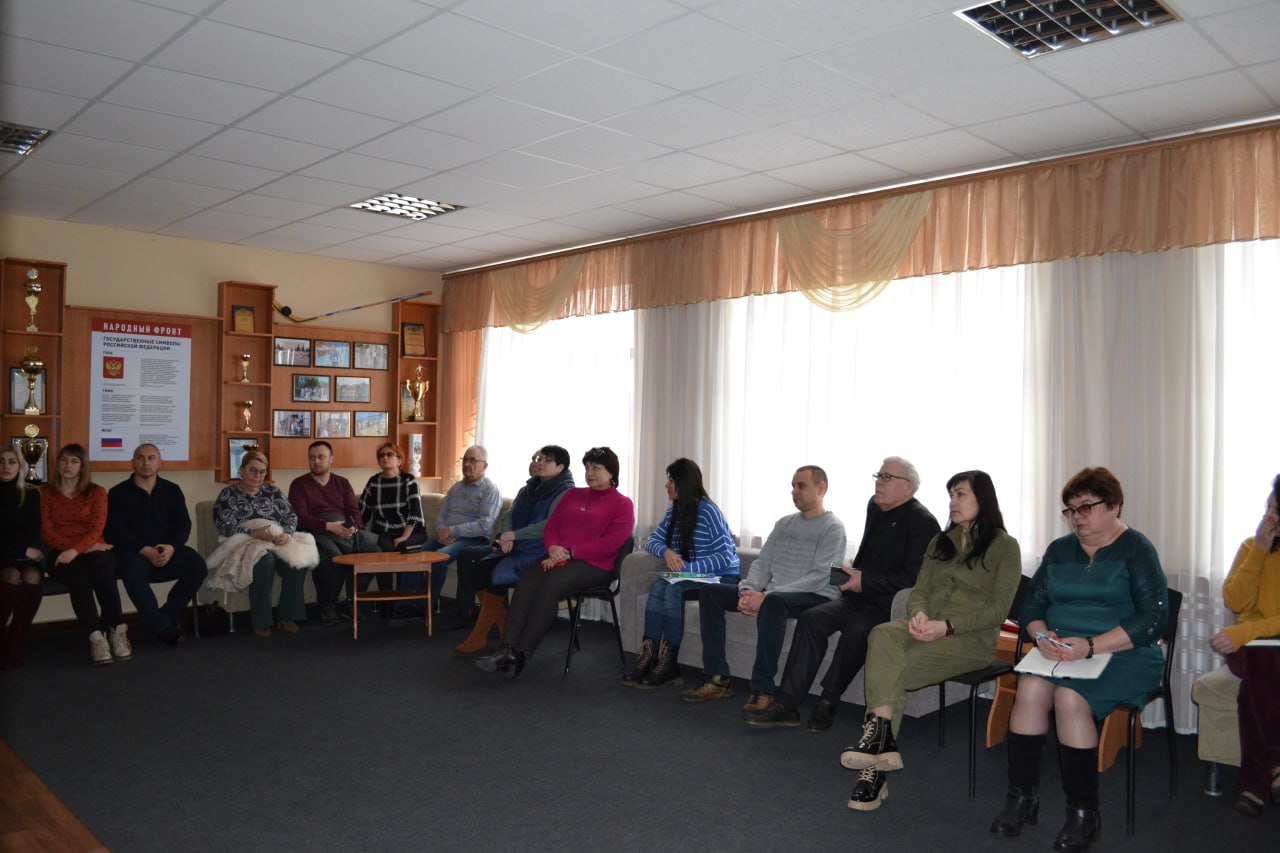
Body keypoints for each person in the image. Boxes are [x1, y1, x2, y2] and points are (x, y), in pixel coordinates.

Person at [989, 467, 1168, 853]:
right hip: (1062, 652)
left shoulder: (1137, 549)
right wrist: (1039, 634)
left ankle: (1084, 813)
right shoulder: (1059, 550)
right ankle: (1023, 798)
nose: (1076, 517)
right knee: (1031, 688)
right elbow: (1032, 603)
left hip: (1124, 653)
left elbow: (1152, 621)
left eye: (1086, 507)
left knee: (1070, 699)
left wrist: (1091, 645)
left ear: (1115, 506)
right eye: (1070, 509)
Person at [837, 470, 1022, 811]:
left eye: (961, 494)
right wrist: (920, 614)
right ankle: (880, 745)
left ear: (983, 499)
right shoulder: (941, 542)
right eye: (950, 494)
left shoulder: (1005, 547)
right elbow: (918, 590)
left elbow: (998, 610)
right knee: (881, 633)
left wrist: (946, 627)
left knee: (890, 671)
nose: (952, 502)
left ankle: (873, 774)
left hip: (969, 640)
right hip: (922, 627)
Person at [741, 456, 938, 730]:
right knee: (812, 619)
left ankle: (828, 701)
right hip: (855, 596)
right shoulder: (875, 506)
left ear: (910, 487)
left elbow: (914, 578)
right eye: (878, 476)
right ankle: (787, 704)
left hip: (886, 604)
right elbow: (871, 554)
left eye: (887, 478)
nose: (879, 482)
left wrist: (866, 581)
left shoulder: (923, 522)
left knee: (858, 629)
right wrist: (851, 575)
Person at [681, 465, 846, 712]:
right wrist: (746, 590)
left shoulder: (833, 527)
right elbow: (763, 562)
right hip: (775, 593)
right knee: (711, 592)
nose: (794, 491)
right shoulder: (783, 524)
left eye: (801, 485)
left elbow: (820, 576)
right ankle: (717, 678)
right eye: (792, 485)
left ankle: (762, 689)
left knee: (774, 602)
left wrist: (766, 596)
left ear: (821, 488)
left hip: (815, 595)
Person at [476, 446, 634, 678]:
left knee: (550, 585)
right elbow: (552, 527)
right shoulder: (573, 494)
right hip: (557, 556)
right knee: (527, 580)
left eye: (596, 468)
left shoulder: (622, 504)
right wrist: (552, 548)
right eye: (588, 468)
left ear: (611, 473)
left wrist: (570, 553)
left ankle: (521, 652)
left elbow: (610, 543)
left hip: (595, 565)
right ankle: (506, 648)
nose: (590, 473)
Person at [624, 458, 740, 689]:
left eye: (671, 480)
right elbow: (651, 541)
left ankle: (669, 663)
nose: (666, 485)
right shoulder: (674, 511)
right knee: (658, 586)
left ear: (684, 483)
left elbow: (725, 556)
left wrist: (688, 570)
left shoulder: (708, 511)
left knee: (674, 586)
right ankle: (648, 655)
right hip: (691, 577)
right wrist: (667, 552)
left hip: (721, 577)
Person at [453, 445, 574, 655]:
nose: (540, 463)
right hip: (517, 546)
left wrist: (514, 536)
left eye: (546, 460)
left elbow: (549, 525)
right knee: (478, 569)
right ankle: (501, 623)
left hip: (541, 551)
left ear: (560, 467)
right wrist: (506, 535)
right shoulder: (530, 487)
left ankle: (480, 634)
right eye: (539, 459)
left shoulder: (566, 492)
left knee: (494, 575)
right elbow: (510, 514)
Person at [1209, 474, 1280, 818]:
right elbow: (1235, 600)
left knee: (1253, 689)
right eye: (1268, 508)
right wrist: (1261, 553)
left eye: (1277, 512)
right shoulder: (1251, 547)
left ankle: (1253, 784)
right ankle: (1275, 765)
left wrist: (1244, 632)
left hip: (1256, 645)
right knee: (1263, 660)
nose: (1269, 518)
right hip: (1251, 649)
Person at [106, 443, 206, 646]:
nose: (146, 462)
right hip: (135, 551)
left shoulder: (172, 490)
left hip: (167, 549)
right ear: (132, 463)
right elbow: (114, 531)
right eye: (140, 458)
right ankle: (162, 627)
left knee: (197, 566)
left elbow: (183, 524)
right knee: (130, 570)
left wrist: (172, 547)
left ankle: (164, 618)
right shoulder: (118, 493)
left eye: (151, 458)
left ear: (160, 463)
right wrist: (144, 550)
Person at [391, 445, 500, 622]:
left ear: (485, 466)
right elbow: (441, 515)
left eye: (473, 460)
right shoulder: (456, 488)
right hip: (446, 536)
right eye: (465, 459)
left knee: (437, 558)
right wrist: (442, 531)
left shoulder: (490, 490)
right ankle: (405, 606)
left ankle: (425, 608)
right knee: (412, 556)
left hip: (473, 540)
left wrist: (453, 530)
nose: (467, 464)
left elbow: (485, 525)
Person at [41, 443, 126, 666]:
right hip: (60, 554)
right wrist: (73, 550)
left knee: (105, 568)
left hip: (91, 549)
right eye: (64, 460)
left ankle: (116, 629)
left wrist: (78, 549)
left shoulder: (97, 492)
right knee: (78, 576)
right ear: (57, 463)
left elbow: (97, 529)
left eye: (74, 461)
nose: (68, 465)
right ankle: (96, 637)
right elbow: (47, 533)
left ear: (82, 466)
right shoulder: (45, 493)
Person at [211, 451, 310, 638]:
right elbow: (224, 525)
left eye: (262, 472)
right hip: (244, 542)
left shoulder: (272, 492)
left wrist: (286, 534)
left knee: (298, 561)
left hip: (275, 540)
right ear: (241, 470)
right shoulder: (228, 494)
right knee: (265, 561)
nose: (257, 476)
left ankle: (287, 616)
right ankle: (261, 620)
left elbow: (290, 516)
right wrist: (253, 533)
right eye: (252, 471)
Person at [289, 440, 376, 626]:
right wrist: (329, 526)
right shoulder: (299, 484)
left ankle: (353, 600)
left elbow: (355, 512)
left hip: (345, 531)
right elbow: (300, 518)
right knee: (331, 559)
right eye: (312, 458)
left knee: (375, 551)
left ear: (331, 459)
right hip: (316, 533)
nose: (316, 461)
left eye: (321, 457)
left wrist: (352, 528)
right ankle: (328, 605)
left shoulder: (342, 483)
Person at [357, 441, 427, 612]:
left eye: (390, 455)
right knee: (384, 551)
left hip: (411, 531)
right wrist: (355, 530)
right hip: (385, 531)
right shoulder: (374, 482)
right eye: (381, 455)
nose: (385, 458)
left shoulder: (408, 481)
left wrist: (404, 536)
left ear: (399, 460)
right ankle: (387, 606)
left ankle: (403, 605)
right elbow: (362, 510)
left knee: (402, 548)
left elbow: (415, 513)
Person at [0, 447, 44, 669]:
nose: (6, 466)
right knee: (11, 576)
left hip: (23, 554)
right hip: (4, 556)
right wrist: (23, 550)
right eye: (2, 461)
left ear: (20, 467)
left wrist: (24, 550)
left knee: (33, 575)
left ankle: (15, 641)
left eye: (12, 462)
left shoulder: (31, 493)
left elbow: (34, 531)